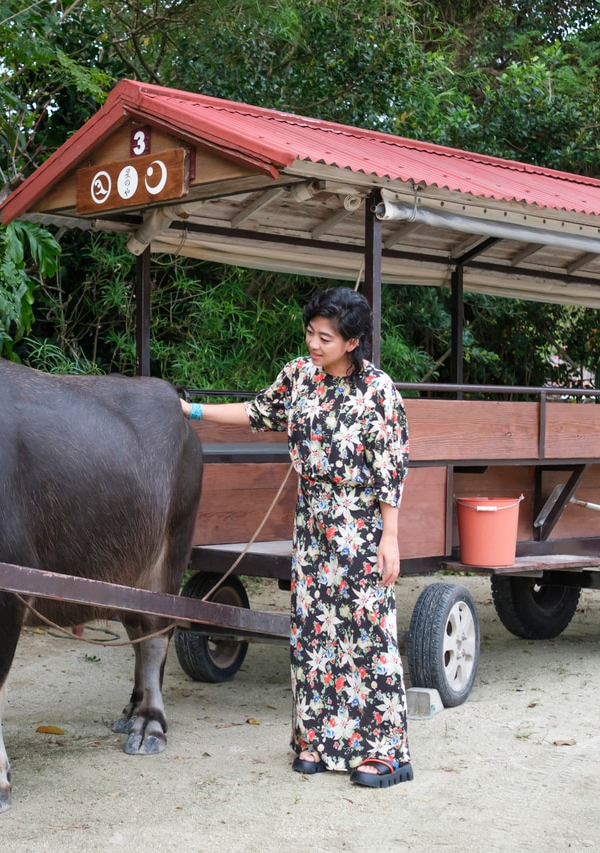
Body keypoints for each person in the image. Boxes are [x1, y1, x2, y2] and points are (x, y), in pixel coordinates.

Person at [180, 286, 412, 788]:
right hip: (311, 521)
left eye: (325, 337)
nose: (313, 343)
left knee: (365, 633)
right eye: (310, 332)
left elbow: (391, 469)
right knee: (314, 631)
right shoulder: (299, 376)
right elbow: (257, 412)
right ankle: (318, 741)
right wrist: (193, 412)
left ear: (351, 342)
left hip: (359, 523)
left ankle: (384, 751)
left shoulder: (379, 391)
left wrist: (389, 538)